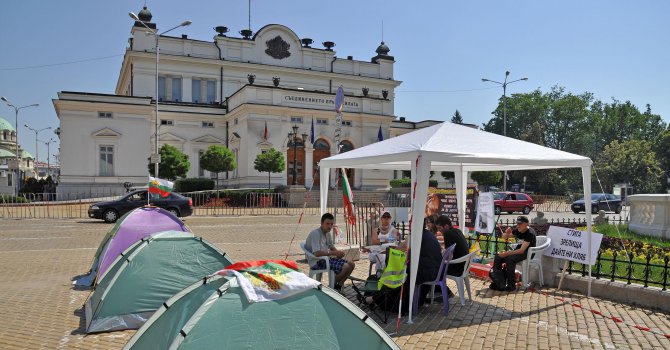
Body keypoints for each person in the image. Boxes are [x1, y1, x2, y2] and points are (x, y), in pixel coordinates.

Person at [305, 213, 355, 291]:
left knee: (351, 264)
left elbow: (331, 246)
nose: (329, 226)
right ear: (321, 223)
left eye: (331, 224)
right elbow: (317, 253)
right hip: (316, 261)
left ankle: (338, 285)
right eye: (327, 224)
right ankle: (331, 286)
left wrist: (338, 253)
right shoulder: (315, 234)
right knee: (345, 266)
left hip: (325, 259)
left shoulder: (328, 234)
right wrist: (334, 253)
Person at [490, 215, 537, 291]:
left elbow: (522, 250)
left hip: (527, 253)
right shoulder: (518, 230)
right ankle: (498, 281)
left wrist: (507, 253)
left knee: (509, 259)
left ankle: (511, 285)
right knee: (498, 256)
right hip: (518, 251)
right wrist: (507, 233)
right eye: (517, 223)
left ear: (526, 224)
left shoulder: (530, 233)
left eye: (520, 224)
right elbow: (504, 237)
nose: (518, 225)